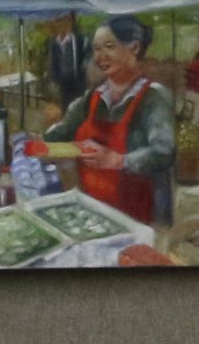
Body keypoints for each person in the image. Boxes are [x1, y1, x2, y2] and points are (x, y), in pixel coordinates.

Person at [39, 17, 176, 233]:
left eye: (109, 47)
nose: (100, 57)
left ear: (135, 47)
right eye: (96, 49)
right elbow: (62, 131)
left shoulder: (154, 97)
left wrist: (117, 160)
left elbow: (164, 152)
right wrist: (39, 143)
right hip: (94, 213)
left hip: (138, 219)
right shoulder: (93, 96)